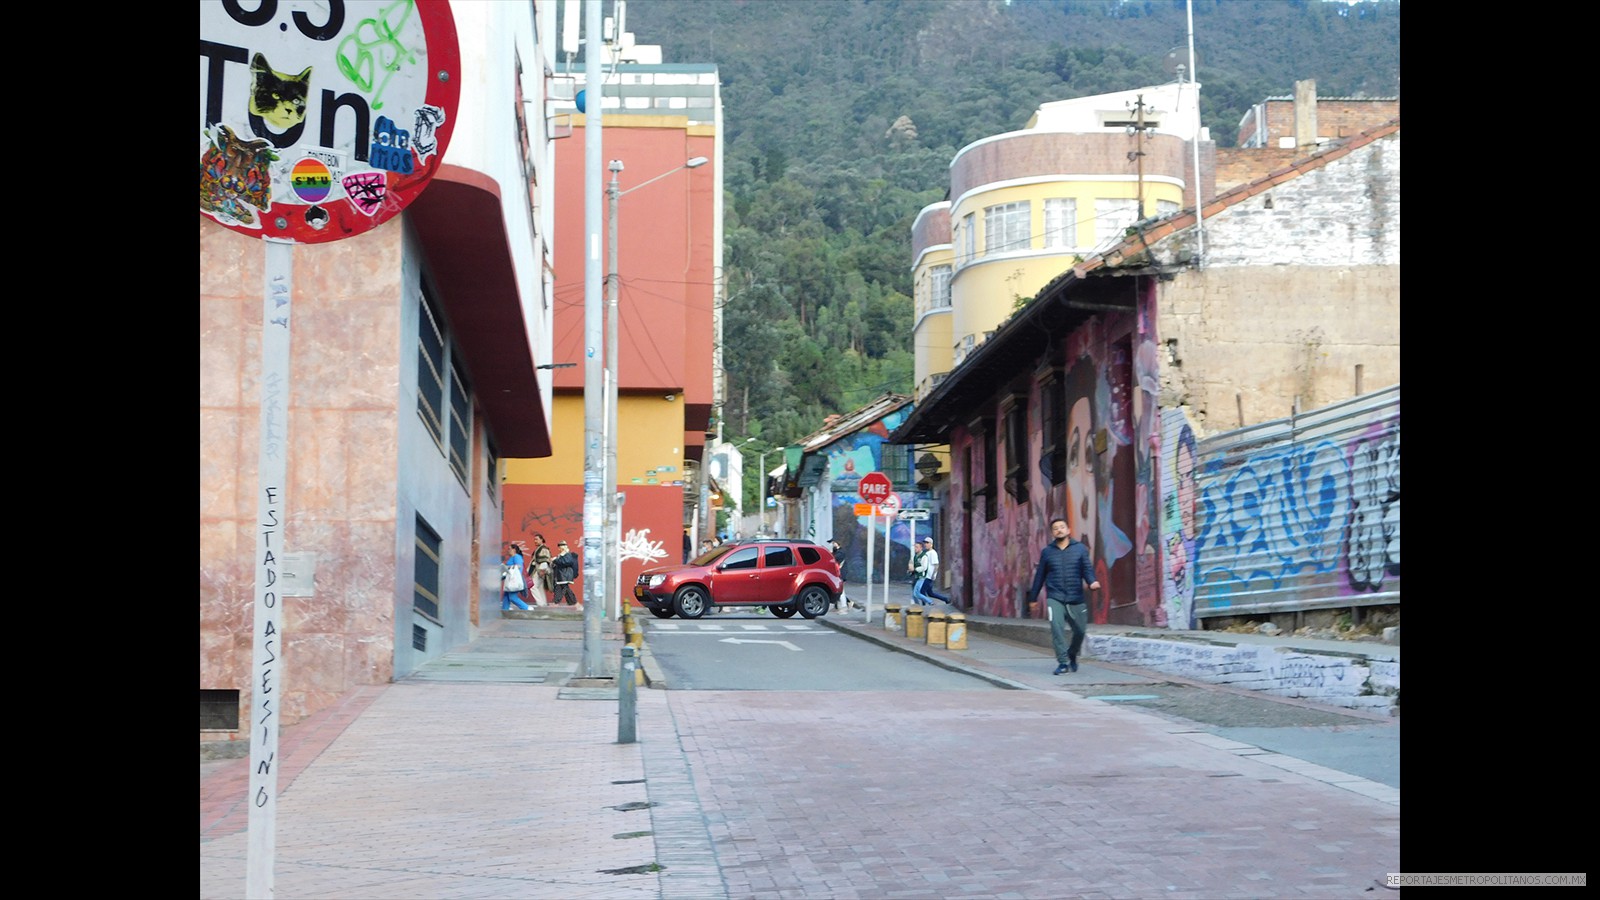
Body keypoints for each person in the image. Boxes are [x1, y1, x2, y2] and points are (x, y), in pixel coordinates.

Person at [1028, 516, 1102, 675]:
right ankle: (1062, 662)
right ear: (1052, 533)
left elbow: (1087, 569)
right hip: (1055, 596)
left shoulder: (1080, 549)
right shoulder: (1047, 552)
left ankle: (1072, 654)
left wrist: (1092, 581)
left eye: (1062, 527)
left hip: (1076, 597)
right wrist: (1033, 598)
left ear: (1068, 530)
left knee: (1080, 631)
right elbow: (1040, 575)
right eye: (1055, 528)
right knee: (1057, 628)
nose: (1059, 530)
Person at [911, 536, 951, 604]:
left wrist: (933, 575)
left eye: (927, 543)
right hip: (925, 575)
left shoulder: (933, 553)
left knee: (921, 591)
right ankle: (946, 599)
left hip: (929, 576)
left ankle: (924, 605)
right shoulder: (926, 553)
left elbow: (936, 565)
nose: (925, 544)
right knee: (930, 593)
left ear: (931, 544)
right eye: (925, 543)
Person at [501, 543, 531, 611]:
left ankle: (526, 608)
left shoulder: (517, 557)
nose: (508, 550)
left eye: (509, 549)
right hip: (510, 579)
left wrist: (506, 567)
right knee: (506, 595)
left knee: (512, 597)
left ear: (514, 549)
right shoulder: (512, 557)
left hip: (514, 580)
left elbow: (519, 567)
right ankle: (505, 609)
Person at [527, 533, 554, 607]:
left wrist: (542, 570)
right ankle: (543, 603)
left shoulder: (543, 549)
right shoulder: (540, 548)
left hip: (539, 571)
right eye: (534, 539)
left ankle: (540, 603)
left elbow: (545, 560)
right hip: (539, 570)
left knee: (533, 586)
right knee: (539, 587)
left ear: (541, 539)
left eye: (536, 539)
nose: (535, 541)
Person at [551, 539, 579, 606]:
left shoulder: (567, 555)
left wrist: (555, 560)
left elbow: (566, 562)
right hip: (562, 575)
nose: (560, 548)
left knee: (561, 588)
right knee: (565, 589)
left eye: (561, 546)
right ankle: (573, 603)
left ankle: (556, 602)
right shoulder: (562, 555)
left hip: (564, 575)